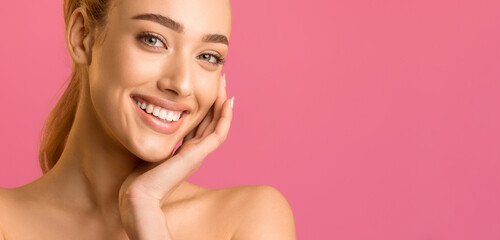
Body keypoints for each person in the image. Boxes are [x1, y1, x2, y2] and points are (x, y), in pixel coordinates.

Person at [0, 0, 296, 239]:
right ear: (82, 37)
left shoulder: (250, 218)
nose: (181, 84)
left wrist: (145, 208)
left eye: (208, 56)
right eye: (154, 40)